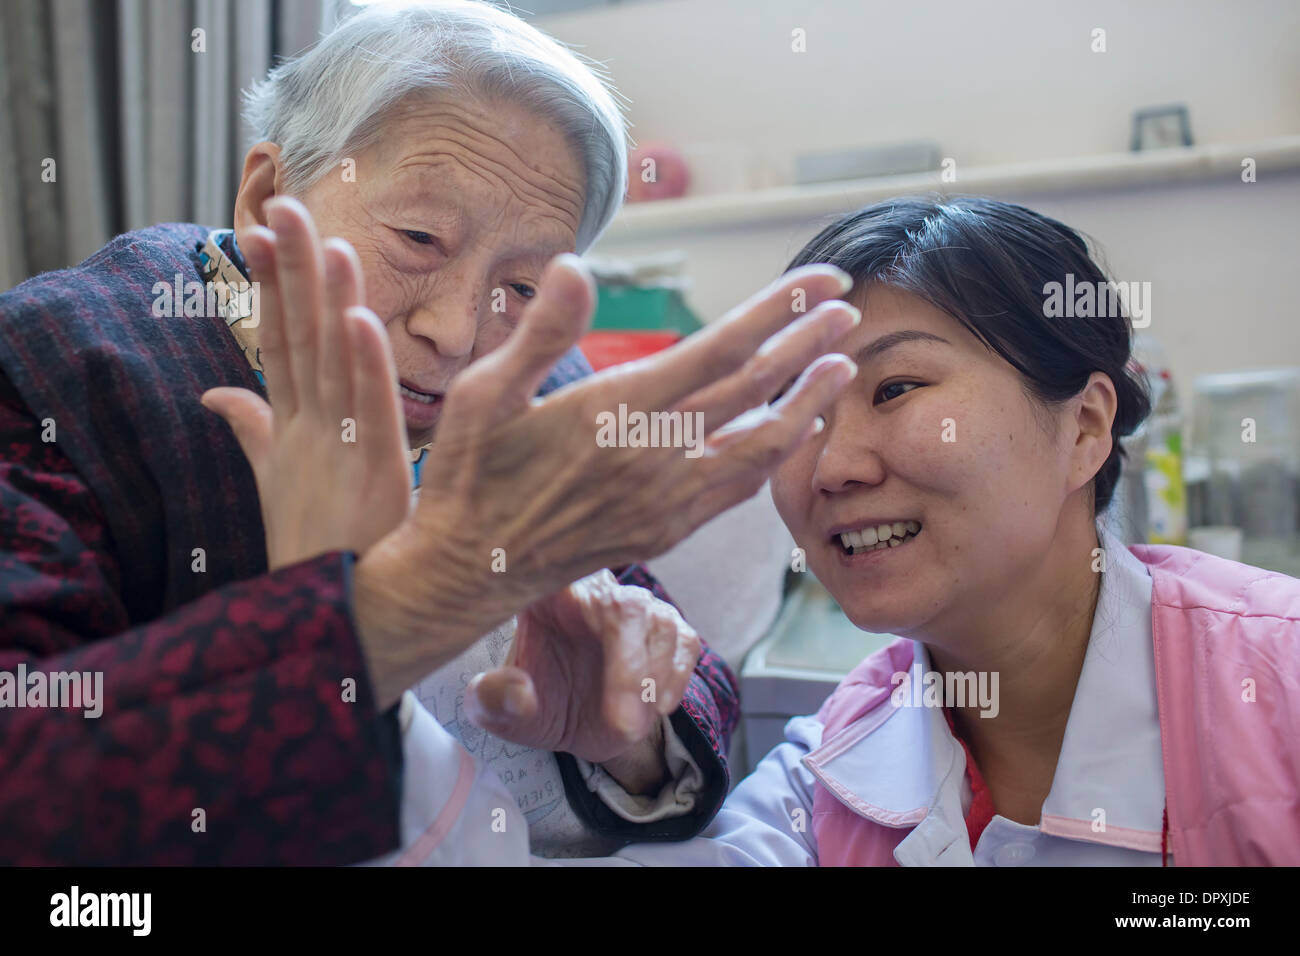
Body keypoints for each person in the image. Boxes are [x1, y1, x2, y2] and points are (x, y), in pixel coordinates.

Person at [0, 0, 860, 864]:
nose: (457, 331)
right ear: (268, 199)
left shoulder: (534, 382)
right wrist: (390, 608)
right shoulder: (63, 365)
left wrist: (629, 736)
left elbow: (681, 668)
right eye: (418, 237)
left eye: (522, 286)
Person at [377, 196, 1300, 866]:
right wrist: (377, 639)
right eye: (803, 409)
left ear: (1086, 427)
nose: (833, 464)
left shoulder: (1278, 683)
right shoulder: (828, 774)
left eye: (896, 389)